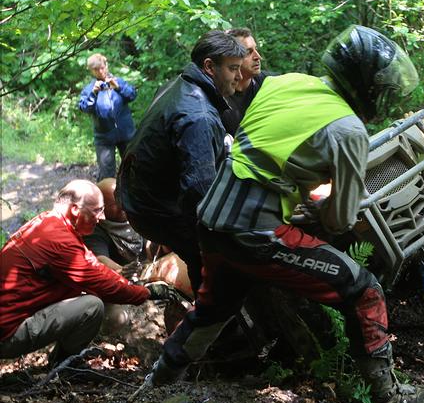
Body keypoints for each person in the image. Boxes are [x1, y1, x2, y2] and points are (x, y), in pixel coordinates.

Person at [142, 25, 424, 403]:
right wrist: (316, 209)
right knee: (365, 290)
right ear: (368, 85)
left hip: (213, 219)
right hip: (255, 230)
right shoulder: (349, 129)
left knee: (213, 310)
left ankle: (154, 386)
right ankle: (390, 398)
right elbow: (340, 218)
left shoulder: (286, 83)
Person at [117, 30, 246, 294]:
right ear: (209, 67)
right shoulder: (197, 115)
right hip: (153, 207)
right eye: (233, 69)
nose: (239, 76)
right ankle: (213, 317)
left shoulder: (178, 84)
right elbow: (200, 193)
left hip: (138, 195)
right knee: (214, 258)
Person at [0, 180, 170, 364]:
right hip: (8, 334)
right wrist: (147, 293)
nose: (102, 218)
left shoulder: (49, 223)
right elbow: (102, 283)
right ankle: (66, 365)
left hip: (9, 323)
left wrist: (126, 281)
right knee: (92, 307)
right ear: (74, 210)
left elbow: (94, 268)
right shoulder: (59, 241)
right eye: (97, 210)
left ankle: (61, 362)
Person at [79, 54, 137, 180]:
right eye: (96, 69)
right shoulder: (89, 89)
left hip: (126, 134)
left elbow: (132, 95)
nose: (100, 71)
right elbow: (85, 108)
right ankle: (107, 199)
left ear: (106, 65)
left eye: (102, 67)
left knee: (134, 169)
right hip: (104, 137)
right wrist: (93, 93)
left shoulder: (118, 81)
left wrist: (118, 87)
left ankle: (132, 198)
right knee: (106, 175)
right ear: (91, 71)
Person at [223, 28, 270, 132]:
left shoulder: (269, 84)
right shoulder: (219, 94)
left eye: (256, 49)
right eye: (248, 52)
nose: (258, 57)